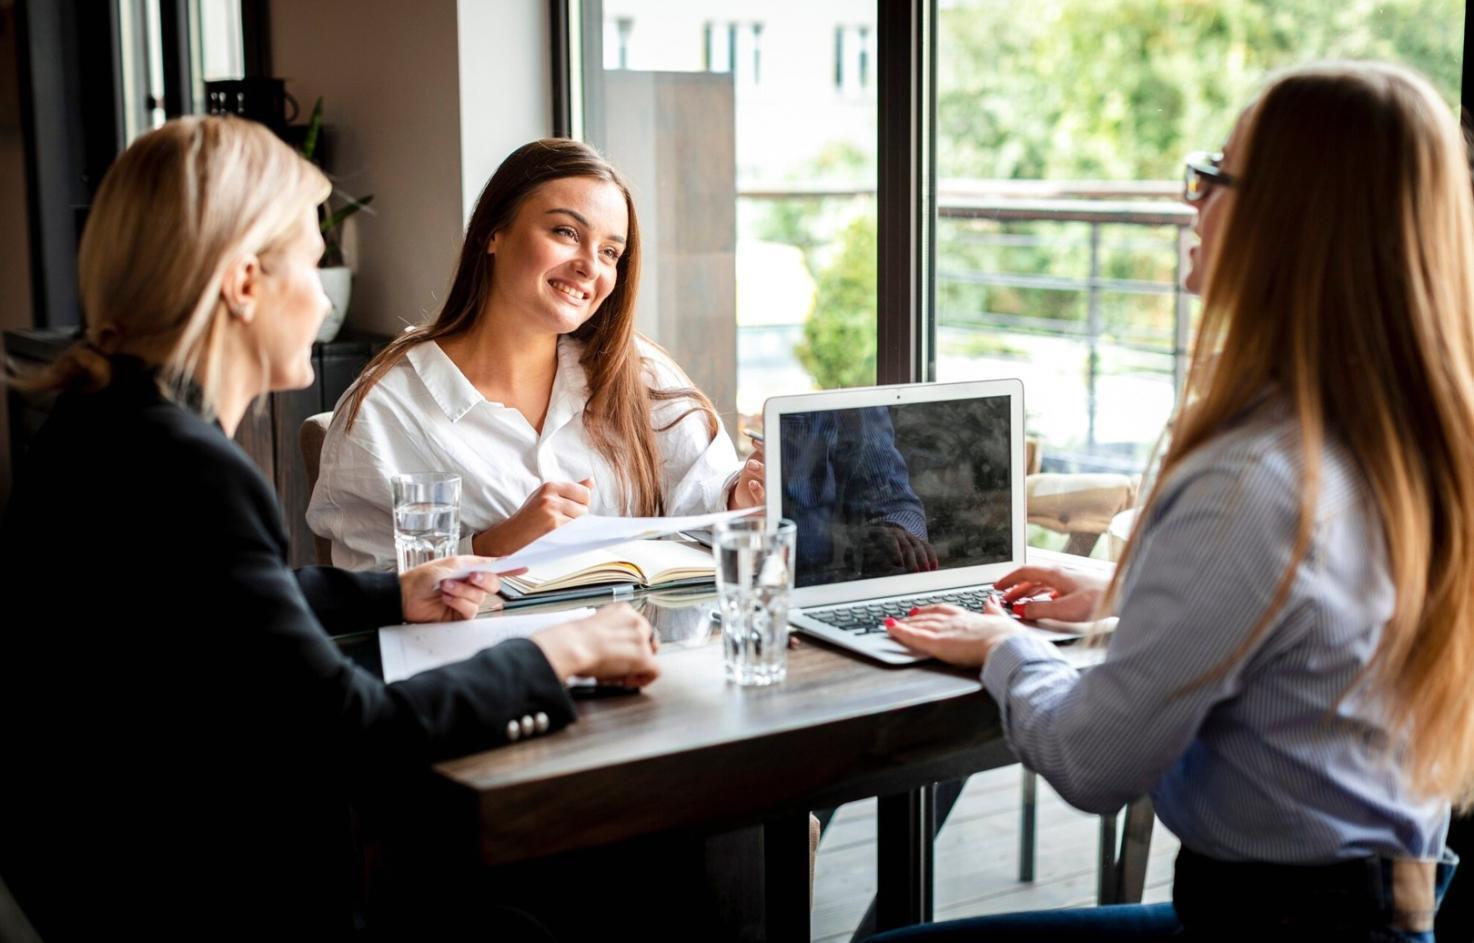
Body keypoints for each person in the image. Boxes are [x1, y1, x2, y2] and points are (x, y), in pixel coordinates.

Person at [0, 116, 660, 938]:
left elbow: (221, 605)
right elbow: (361, 734)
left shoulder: (97, 427)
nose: (322, 296)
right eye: (313, 263)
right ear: (244, 284)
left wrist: (392, 590)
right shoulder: (189, 470)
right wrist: (560, 655)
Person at [877, 62, 1470, 941]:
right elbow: (1309, 648)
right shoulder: (1409, 441)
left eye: (1213, 176)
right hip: (1394, 911)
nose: (1190, 202)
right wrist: (1125, 595)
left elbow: (1092, 758)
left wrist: (1004, 646)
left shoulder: (1252, 476)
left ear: (1289, 220)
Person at [307, 138, 765, 571]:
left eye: (610, 252)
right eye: (566, 232)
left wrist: (740, 498)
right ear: (492, 234)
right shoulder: (388, 410)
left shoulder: (637, 373)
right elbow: (366, 593)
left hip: (656, 651)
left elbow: (705, 501)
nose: (590, 266)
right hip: (496, 654)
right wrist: (494, 546)